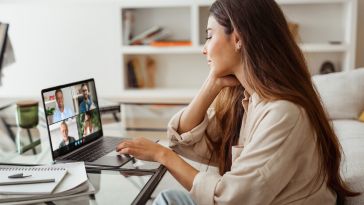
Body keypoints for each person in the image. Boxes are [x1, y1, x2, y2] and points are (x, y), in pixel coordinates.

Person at [116, 0, 360, 204]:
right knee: (170, 198)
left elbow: (231, 200)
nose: (204, 49)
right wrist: (212, 84)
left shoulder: (284, 112)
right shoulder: (250, 100)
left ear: (238, 38)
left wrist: (162, 155)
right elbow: (184, 139)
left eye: (209, 36)